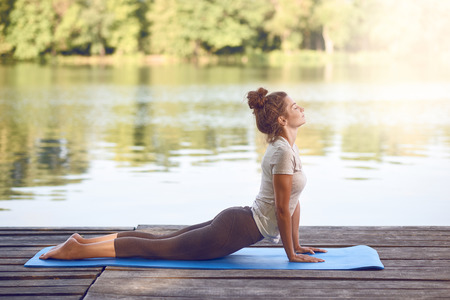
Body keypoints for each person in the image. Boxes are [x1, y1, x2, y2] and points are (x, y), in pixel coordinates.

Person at [40, 87, 326, 263]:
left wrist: (297, 244)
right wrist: (291, 254)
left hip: (238, 221)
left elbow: (291, 201)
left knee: (160, 240)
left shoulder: (288, 147)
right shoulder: (283, 152)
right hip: (235, 228)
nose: (301, 107)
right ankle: (75, 251)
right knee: (157, 248)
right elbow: (281, 209)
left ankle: (82, 242)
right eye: (294, 106)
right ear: (282, 120)